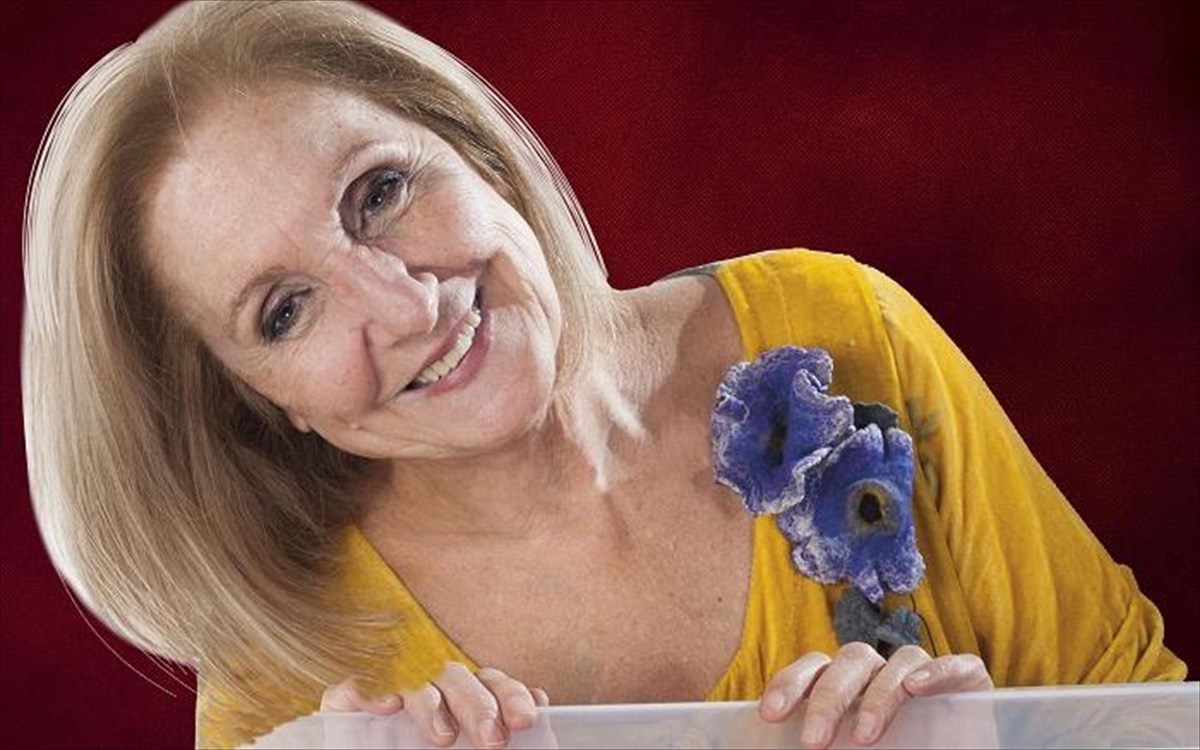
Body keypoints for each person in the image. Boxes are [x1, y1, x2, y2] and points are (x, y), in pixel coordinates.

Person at [20, 2, 1186, 749]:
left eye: (381, 192)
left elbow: (1140, 715)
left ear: (473, 149)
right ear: (250, 397)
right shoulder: (288, 675)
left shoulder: (840, 334)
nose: (407, 304)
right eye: (285, 310)